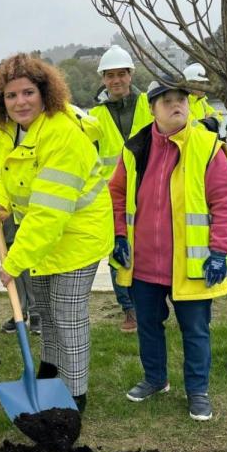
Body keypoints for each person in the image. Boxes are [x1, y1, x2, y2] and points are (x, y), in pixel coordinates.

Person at [0, 53, 113, 412]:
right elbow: (0, 172)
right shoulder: (4, 131)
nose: (20, 102)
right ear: (1, 101)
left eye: (28, 92)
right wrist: (0, 203)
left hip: (76, 235)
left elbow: (49, 214)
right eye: (11, 96)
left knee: (67, 315)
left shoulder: (62, 136)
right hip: (39, 235)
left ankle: (74, 395)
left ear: (45, 93)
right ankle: (49, 371)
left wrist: (14, 262)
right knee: (44, 311)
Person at [110, 78, 227, 421]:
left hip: (191, 265)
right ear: (152, 108)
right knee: (148, 325)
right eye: (166, 101)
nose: (176, 105)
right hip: (144, 264)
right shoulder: (135, 147)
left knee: (195, 331)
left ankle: (198, 391)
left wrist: (219, 251)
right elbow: (117, 194)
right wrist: (119, 235)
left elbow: (225, 203)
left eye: (180, 99)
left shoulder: (208, 146)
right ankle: (155, 379)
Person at [89, 45, 154, 333]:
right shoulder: (95, 116)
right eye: (110, 75)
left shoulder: (150, 105)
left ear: (131, 75)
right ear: (103, 79)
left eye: (121, 74)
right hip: (111, 197)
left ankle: (152, 305)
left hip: (149, 191)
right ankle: (129, 310)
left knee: (151, 250)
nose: (116, 80)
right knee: (118, 253)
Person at [0, 114, 41, 335]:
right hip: (2, 222)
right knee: (11, 268)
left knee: (30, 267)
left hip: (27, 216)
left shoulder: (28, 140)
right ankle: (18, 311)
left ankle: (37, 312)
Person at [181, 63, 224, 134]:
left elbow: (219, 116)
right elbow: (195, 129)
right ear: (189, 84)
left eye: (205, 83)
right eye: (201, 83)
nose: (204, 87)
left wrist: (209, 121)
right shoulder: (182, 103)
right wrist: (209, 122)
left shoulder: (202, 102)